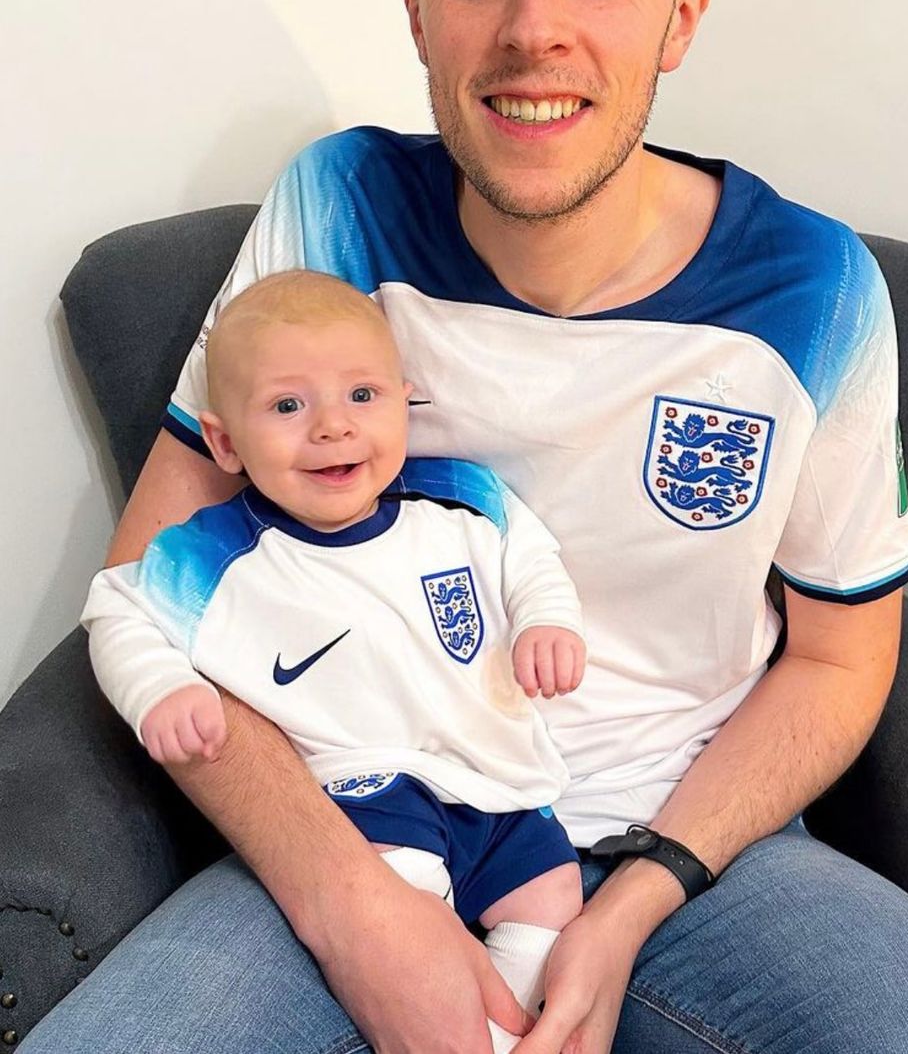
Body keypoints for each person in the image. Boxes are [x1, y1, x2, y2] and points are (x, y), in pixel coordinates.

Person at [23, 0, 908, 1054]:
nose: (536, 30)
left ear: (681, 11)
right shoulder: (338, 204)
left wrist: (643, 888)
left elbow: (838, 652)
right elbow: (153, 579)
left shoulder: (818, 294)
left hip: (700, 855)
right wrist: (350, 901)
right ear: (417, 2)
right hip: (359, 815)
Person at [81, 269, 587, 1053]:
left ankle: (512, 1030)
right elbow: (114, 608)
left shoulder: (458, 498)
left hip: (498, 780)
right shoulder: (217, 552)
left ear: (405, 399)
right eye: (288, 406)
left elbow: (530, 555)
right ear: (223, 441)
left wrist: (545, 621)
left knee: (553, 895)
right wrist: (161, 686)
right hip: (366, 788)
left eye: (363, 396)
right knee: (409, 909)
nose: (333, 428)